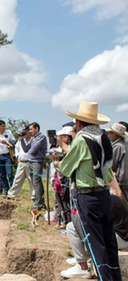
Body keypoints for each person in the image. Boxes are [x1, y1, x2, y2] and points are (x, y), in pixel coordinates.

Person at [56, 101, 121, 280]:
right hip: (103, 193)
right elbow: (107, 169)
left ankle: (103, 277)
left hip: (87, 195)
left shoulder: (81, 139)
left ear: (78, 122)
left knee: (95, 243)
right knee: (109, 241)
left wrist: (58, 163)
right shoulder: (103, 138)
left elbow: (67, 168)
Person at [61, 195, 128, 279]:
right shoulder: (109, 197)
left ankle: (82, 267)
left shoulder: (98, 201)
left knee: (72, 227)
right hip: (121, 236)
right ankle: (83, 257)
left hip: (120, 238)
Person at [51, 126, 73, 229]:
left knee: (66, 203)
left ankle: (67, 222)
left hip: (65, 180)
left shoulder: (70, 148)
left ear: (66, 137)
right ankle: (63, 221)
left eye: (60, 137)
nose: (57, 138)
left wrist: (59, 162)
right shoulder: (63, 149)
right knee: (61, 203)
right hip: (60, 179)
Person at [7, 126, 34, 200]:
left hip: (30, 162)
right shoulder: (20, 141)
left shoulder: (33, 140)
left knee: (32, 180)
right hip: (21, 162)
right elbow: (17, 149)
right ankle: (11, 195)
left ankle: (33, 196)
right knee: (17, 179)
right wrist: (18, 157)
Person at [26, 122, 48, 209]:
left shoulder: (41, 137)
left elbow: (33, 149)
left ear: (37, 129)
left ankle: (38, 203)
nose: (30, 131)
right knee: (35, 182)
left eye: (31, 129)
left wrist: (27, 154)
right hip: (31, 161)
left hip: (37, 161)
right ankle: (40, 201)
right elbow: (27, 147)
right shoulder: (33, 138)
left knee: (36, 181)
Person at [106, 123, 128, 204]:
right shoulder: (124, 144)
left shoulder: (118, 146)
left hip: (121, 180)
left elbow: (111, 164)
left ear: (117, 135)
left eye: (111, 133)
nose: (109, 134)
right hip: (125, 179)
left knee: (123, 203)